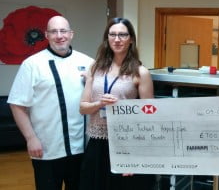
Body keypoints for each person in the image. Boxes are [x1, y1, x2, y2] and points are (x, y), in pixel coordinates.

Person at [8, 16, 93, 190]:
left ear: (71, 34)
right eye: (54, 31)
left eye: (63, 31)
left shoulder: (88, 62)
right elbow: (17, 104)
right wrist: (31, 139)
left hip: (81, 148)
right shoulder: (31, 65)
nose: (59, 35)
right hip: (47, 148)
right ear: (46, 35)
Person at [79, 17, 156, 190]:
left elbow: (149, 117)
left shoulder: (140, 72)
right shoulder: (95, 67)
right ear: (107, 39)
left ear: (131, 40)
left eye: (122, 35)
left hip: (127, 143)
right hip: (97, 144)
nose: (117, 39)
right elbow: (83, 108)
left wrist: (135, 156)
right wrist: (99, 103)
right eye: (112, 34)